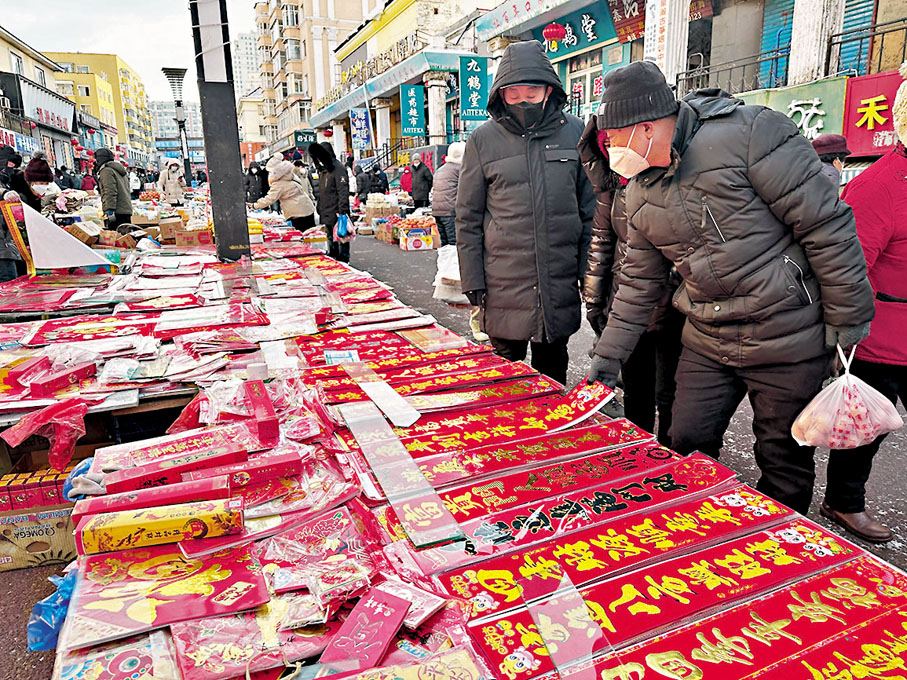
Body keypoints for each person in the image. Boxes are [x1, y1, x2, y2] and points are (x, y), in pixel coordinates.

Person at [587, 61, 874, 515]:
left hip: (786, 333)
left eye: (614, 140)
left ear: (644, 128)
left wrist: (849, 315)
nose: (612, 151)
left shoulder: (751, 134)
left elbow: (826, 226)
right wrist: (608, 357)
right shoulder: (638, 191)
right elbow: (638, 282)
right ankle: (696, 536)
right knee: (686, 442)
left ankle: (783, 554)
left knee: (784, 459)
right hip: (707, 335)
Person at [456, 41, 594, 386]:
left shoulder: (575, 132)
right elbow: (468, 216)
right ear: (501, 95)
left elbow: (590, 211)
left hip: (557, 281)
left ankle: (553, 439)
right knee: (505, 380)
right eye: (513, 94)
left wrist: (588, 273)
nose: (522, 101)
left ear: (549, 90)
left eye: (531, 92)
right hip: (502, 283)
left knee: (553, 375)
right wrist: (472, 279)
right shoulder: (483, 140)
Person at [822, 64, 907, 543]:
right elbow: (848, 269)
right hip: (881, 339)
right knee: (865, 432)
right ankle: (843, 502)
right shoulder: (878, 186)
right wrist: (845, 333)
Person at [578, 120, 683, 445]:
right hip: (626, 305)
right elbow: (600, 243)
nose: (615, 152)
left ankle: (671, 464)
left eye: (619, 143)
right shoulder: (612, 188)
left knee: (671, 397)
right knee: (636, 391)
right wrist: (595, 301)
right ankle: (639, 455)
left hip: (674, 308)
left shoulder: (673, 180)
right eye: (607, 146)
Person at [308, 142, 351, 263]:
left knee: (342, 236)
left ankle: (343, 259)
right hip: (326, 210)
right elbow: (322, 192)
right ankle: (334, 257)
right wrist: (319, 206)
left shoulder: (338, 169)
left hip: (337, 210)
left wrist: (343, 210)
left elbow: (343, 191)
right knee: (330, 237)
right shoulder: (323, 170)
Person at [251, 153, 316, 231]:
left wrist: (255, 205)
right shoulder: (291, 175)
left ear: (275, 171)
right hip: (307, 208)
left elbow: (270, 199)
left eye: (270, 172)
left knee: (302, 238)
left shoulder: (279, 183)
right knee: (311, 236)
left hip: (297, 214)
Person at [431, 142, 463, 247]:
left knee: (444, 243)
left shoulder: (440, 170)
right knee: (453, 243)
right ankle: (452, 263)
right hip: (449, 211)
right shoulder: (459, 169)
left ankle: (445, 263)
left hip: (437, 211)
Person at [93, 147, 133, 231]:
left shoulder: (106, 171)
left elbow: (110, 191)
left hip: (117, 211)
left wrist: (110, 210)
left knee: (117, 239)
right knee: (125, 239)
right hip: (125, 210)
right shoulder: (119, 169)